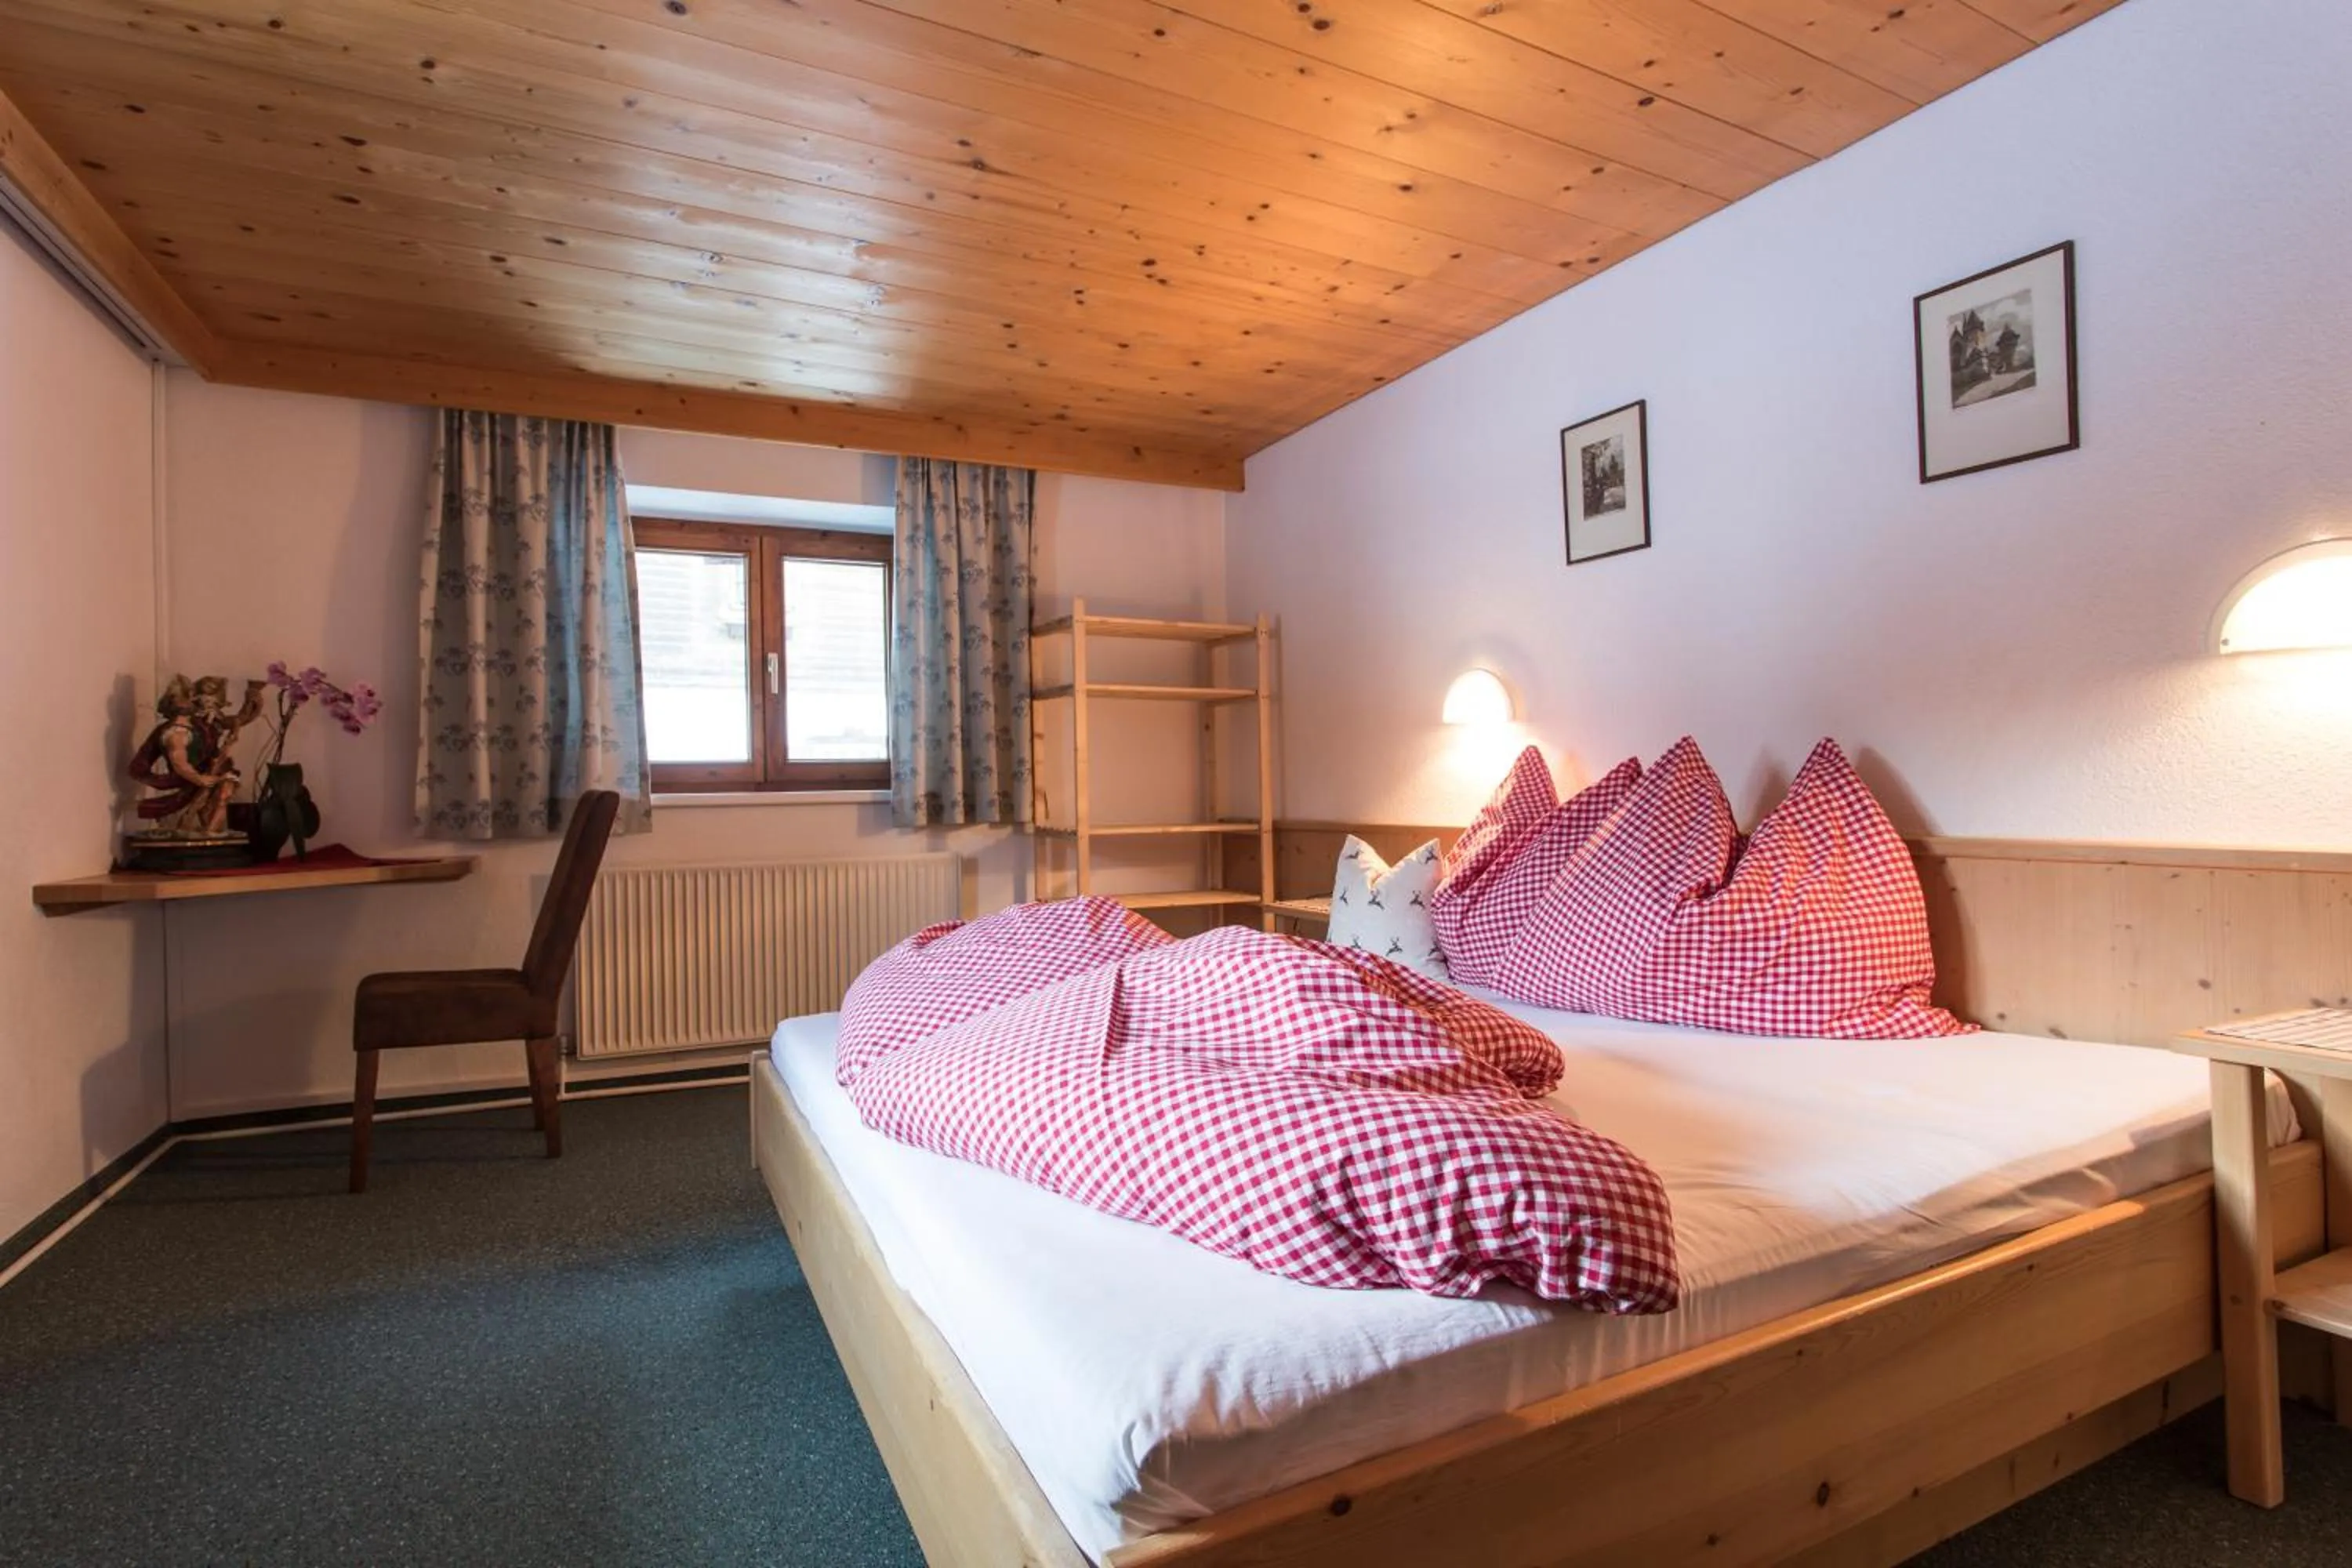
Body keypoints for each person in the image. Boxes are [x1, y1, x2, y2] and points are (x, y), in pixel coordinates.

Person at [127, 675, 267, 837]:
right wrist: (199, 779)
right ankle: (199, 829)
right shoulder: (177, 731)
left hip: (212, 771)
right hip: (190, 779)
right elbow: (179, 763)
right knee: (191, 808)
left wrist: (254, 697)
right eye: (206, 702)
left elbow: (239, 719)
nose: (211, 708)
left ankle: (210, 831)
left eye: (215, 704)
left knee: (224, 792)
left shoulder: (209, 723)